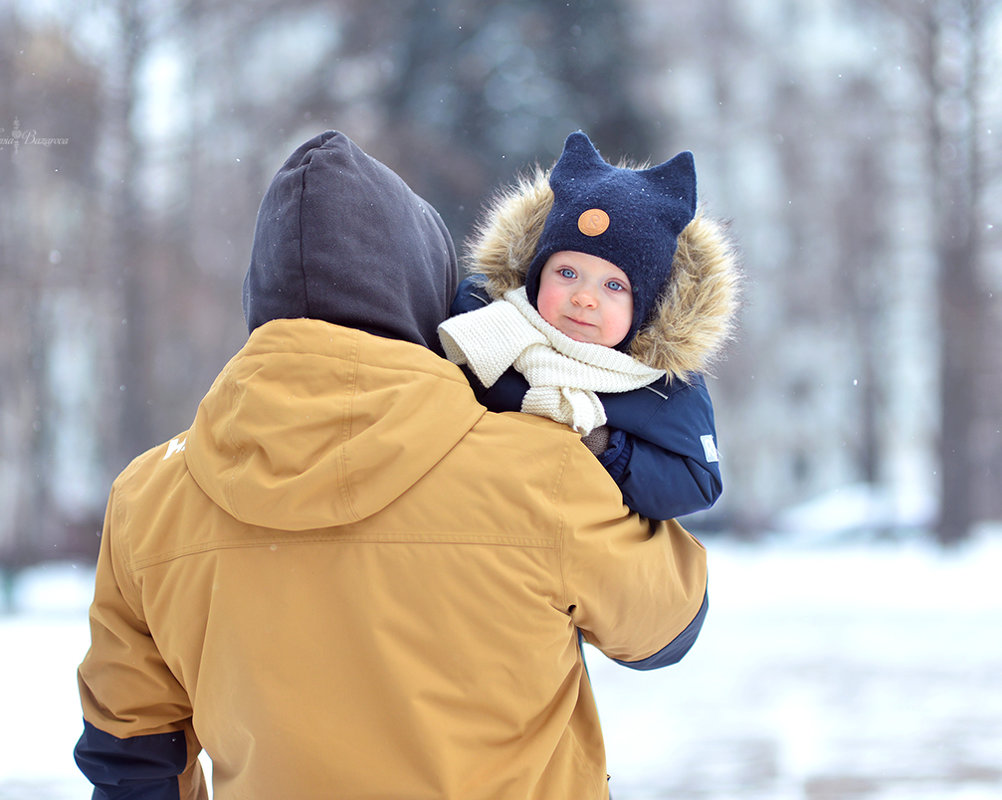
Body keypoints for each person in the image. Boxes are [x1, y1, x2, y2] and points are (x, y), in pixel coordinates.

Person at [74, 130, 709, 800]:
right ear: (423, 291)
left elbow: (132, 750)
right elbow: (667, 626)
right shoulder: (541, 469)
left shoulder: (147, 498)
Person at [439, 131, 741, 521]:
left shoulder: (662, 386)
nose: (584, 297)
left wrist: (606, 447)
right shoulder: (479, 326)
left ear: (646, 305)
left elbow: (694, 482)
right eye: (567, 272)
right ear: (535, 275)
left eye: (614, 285)